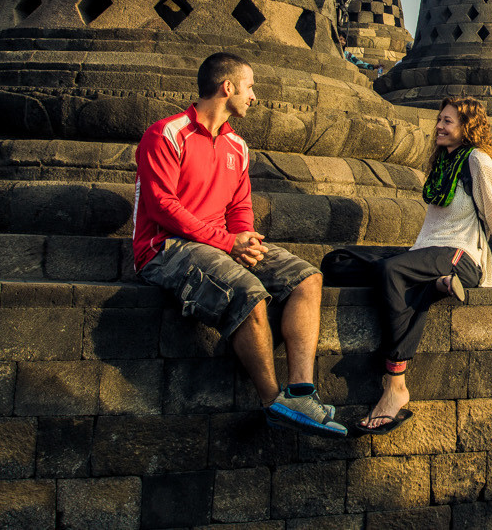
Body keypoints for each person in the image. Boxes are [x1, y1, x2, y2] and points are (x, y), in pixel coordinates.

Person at [133, 53, 346, 438]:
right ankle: (273, 402)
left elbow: (239, 205)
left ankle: (300, 390)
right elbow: (163, 207)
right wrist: (226, 242)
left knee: (307, 278)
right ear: (227, 87)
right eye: (249, 86)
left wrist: (243, 238)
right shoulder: (166, 134)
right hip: (166, 248)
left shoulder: (237, 146)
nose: (254, 96)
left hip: (221, 243)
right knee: (249, 293)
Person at [359, 96, 492, 434]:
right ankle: (438, 283)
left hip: (464, 256)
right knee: (343, 263)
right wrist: (410, 256)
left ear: (468, 128)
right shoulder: (443, 164)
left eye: (447, 121)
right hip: (432, 253)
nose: (439, 126)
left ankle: (395, 385)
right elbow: (431, 229)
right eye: (439, 120)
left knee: (390, 271)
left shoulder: (478, 162)